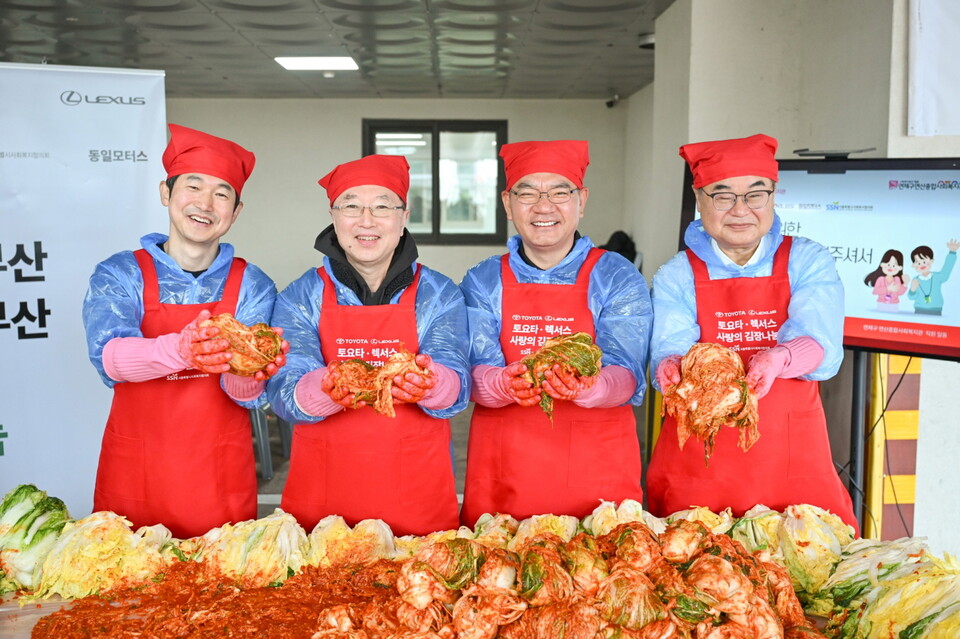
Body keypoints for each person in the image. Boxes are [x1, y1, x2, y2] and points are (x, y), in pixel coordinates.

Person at [646, 133, 859, 533]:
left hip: (790, 461)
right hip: (699, 466)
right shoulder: (677, 273)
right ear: (700, 199)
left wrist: (781, 357)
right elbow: (670, 347)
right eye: (722, 196)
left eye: (755, 194)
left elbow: (824, 349)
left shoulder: (806, 259)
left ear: (773, 197)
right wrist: (670, 366)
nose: (740, 210)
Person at [83, 124, 287, 539]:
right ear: (165, 193)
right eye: (193, 187)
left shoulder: (252, 284)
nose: (205, 204)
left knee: (218, 592)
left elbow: (241, 393)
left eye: (222, 193)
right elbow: (110, 359)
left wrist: (251, 373)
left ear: (236, 210)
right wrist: (182, 349)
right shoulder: (121, 273)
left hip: (217, 472)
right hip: (136, 470)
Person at [266, 154, 469, 536]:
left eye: (382, 206)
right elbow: (283, 392)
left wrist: (432, 383)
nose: (366, 220)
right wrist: (325, 389)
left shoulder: (438, 293)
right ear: (333, 215)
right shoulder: (301, 295)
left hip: (417, 499)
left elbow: (458, 381)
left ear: (404, 216)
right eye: (352, 206)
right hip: (323, 505)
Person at [459, 140, 652, 527]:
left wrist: (592, 387)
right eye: (527, 193)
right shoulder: (482, 280)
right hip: (505, 474)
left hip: (596, 475)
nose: (543, 206)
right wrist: (501, 384)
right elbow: (471, 377)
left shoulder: (616, 276)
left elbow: (628, 374)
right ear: (508, 203)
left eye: (560, 192)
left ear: (581, 201)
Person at [907, 240, 958, 315]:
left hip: (936, 310)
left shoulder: (937, 277)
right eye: (918, 263)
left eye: (924, 262)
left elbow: (947, 270)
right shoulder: (915, 279)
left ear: (931, 261)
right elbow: (911, 297)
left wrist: (952, 253)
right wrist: (912, 289)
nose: (922, 265)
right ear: (914, 265)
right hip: (919, 310)